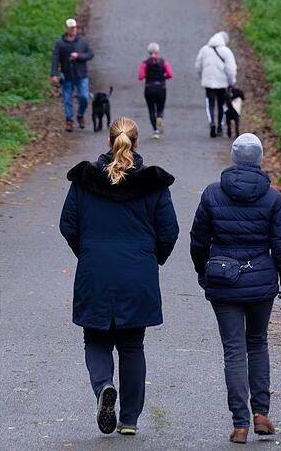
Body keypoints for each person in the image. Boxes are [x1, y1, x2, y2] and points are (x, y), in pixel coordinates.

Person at [59, 117, 179, 436]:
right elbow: (169, 232)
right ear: (136, 143)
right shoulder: (152, 184)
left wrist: (86, 252)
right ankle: (129, 420)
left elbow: (68, 225)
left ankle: (103, 387)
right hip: (137, 274)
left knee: (95, 338)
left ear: (108, 142)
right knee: (132, 345)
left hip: (94, 270)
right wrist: (152, 259)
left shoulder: (85, 180)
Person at [189, 133, 281, 444]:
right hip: (261, 282)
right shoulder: (272, 198)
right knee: (258, 344)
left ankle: (240, 424)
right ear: (260, 160)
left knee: (234, 351)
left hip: (223, 283)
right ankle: (261, 413)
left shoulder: (212, 194)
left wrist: (202, 272)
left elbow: (199, 241)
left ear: (234, 159)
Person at [51, 18, 94, 132]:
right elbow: (55, 59)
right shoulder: (60, 44)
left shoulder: (82, 41)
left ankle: (80, 114)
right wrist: (54, 74)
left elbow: (90, 54)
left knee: (84, 97)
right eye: (71, 28)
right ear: (67, 29)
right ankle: (69, 120)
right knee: (67, 99)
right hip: (67, 75)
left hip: (81, 75)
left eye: (74, 28)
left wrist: (79, 56)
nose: (73, 30)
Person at [194, 31, 237, 138]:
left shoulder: (204, 50)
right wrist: (231, 82)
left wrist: (201, 77)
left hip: (208, 82)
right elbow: (231, 69)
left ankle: (212, 122)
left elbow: (198, 65)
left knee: (210, 104)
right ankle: (220, 127)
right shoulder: (226, 52)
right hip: (222, 83)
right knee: (222, 105)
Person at [137, 43, 174, 138]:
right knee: (160, 108)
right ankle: (160, 117)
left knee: (151, 110)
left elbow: (140, 77)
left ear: (149, 52)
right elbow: (170, 74)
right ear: (158, 51)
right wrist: (163, 76)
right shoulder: (164, 62)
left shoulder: (145, 63)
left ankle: (155, 130)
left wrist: (147, 76)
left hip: (149, 88)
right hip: (161, 88)